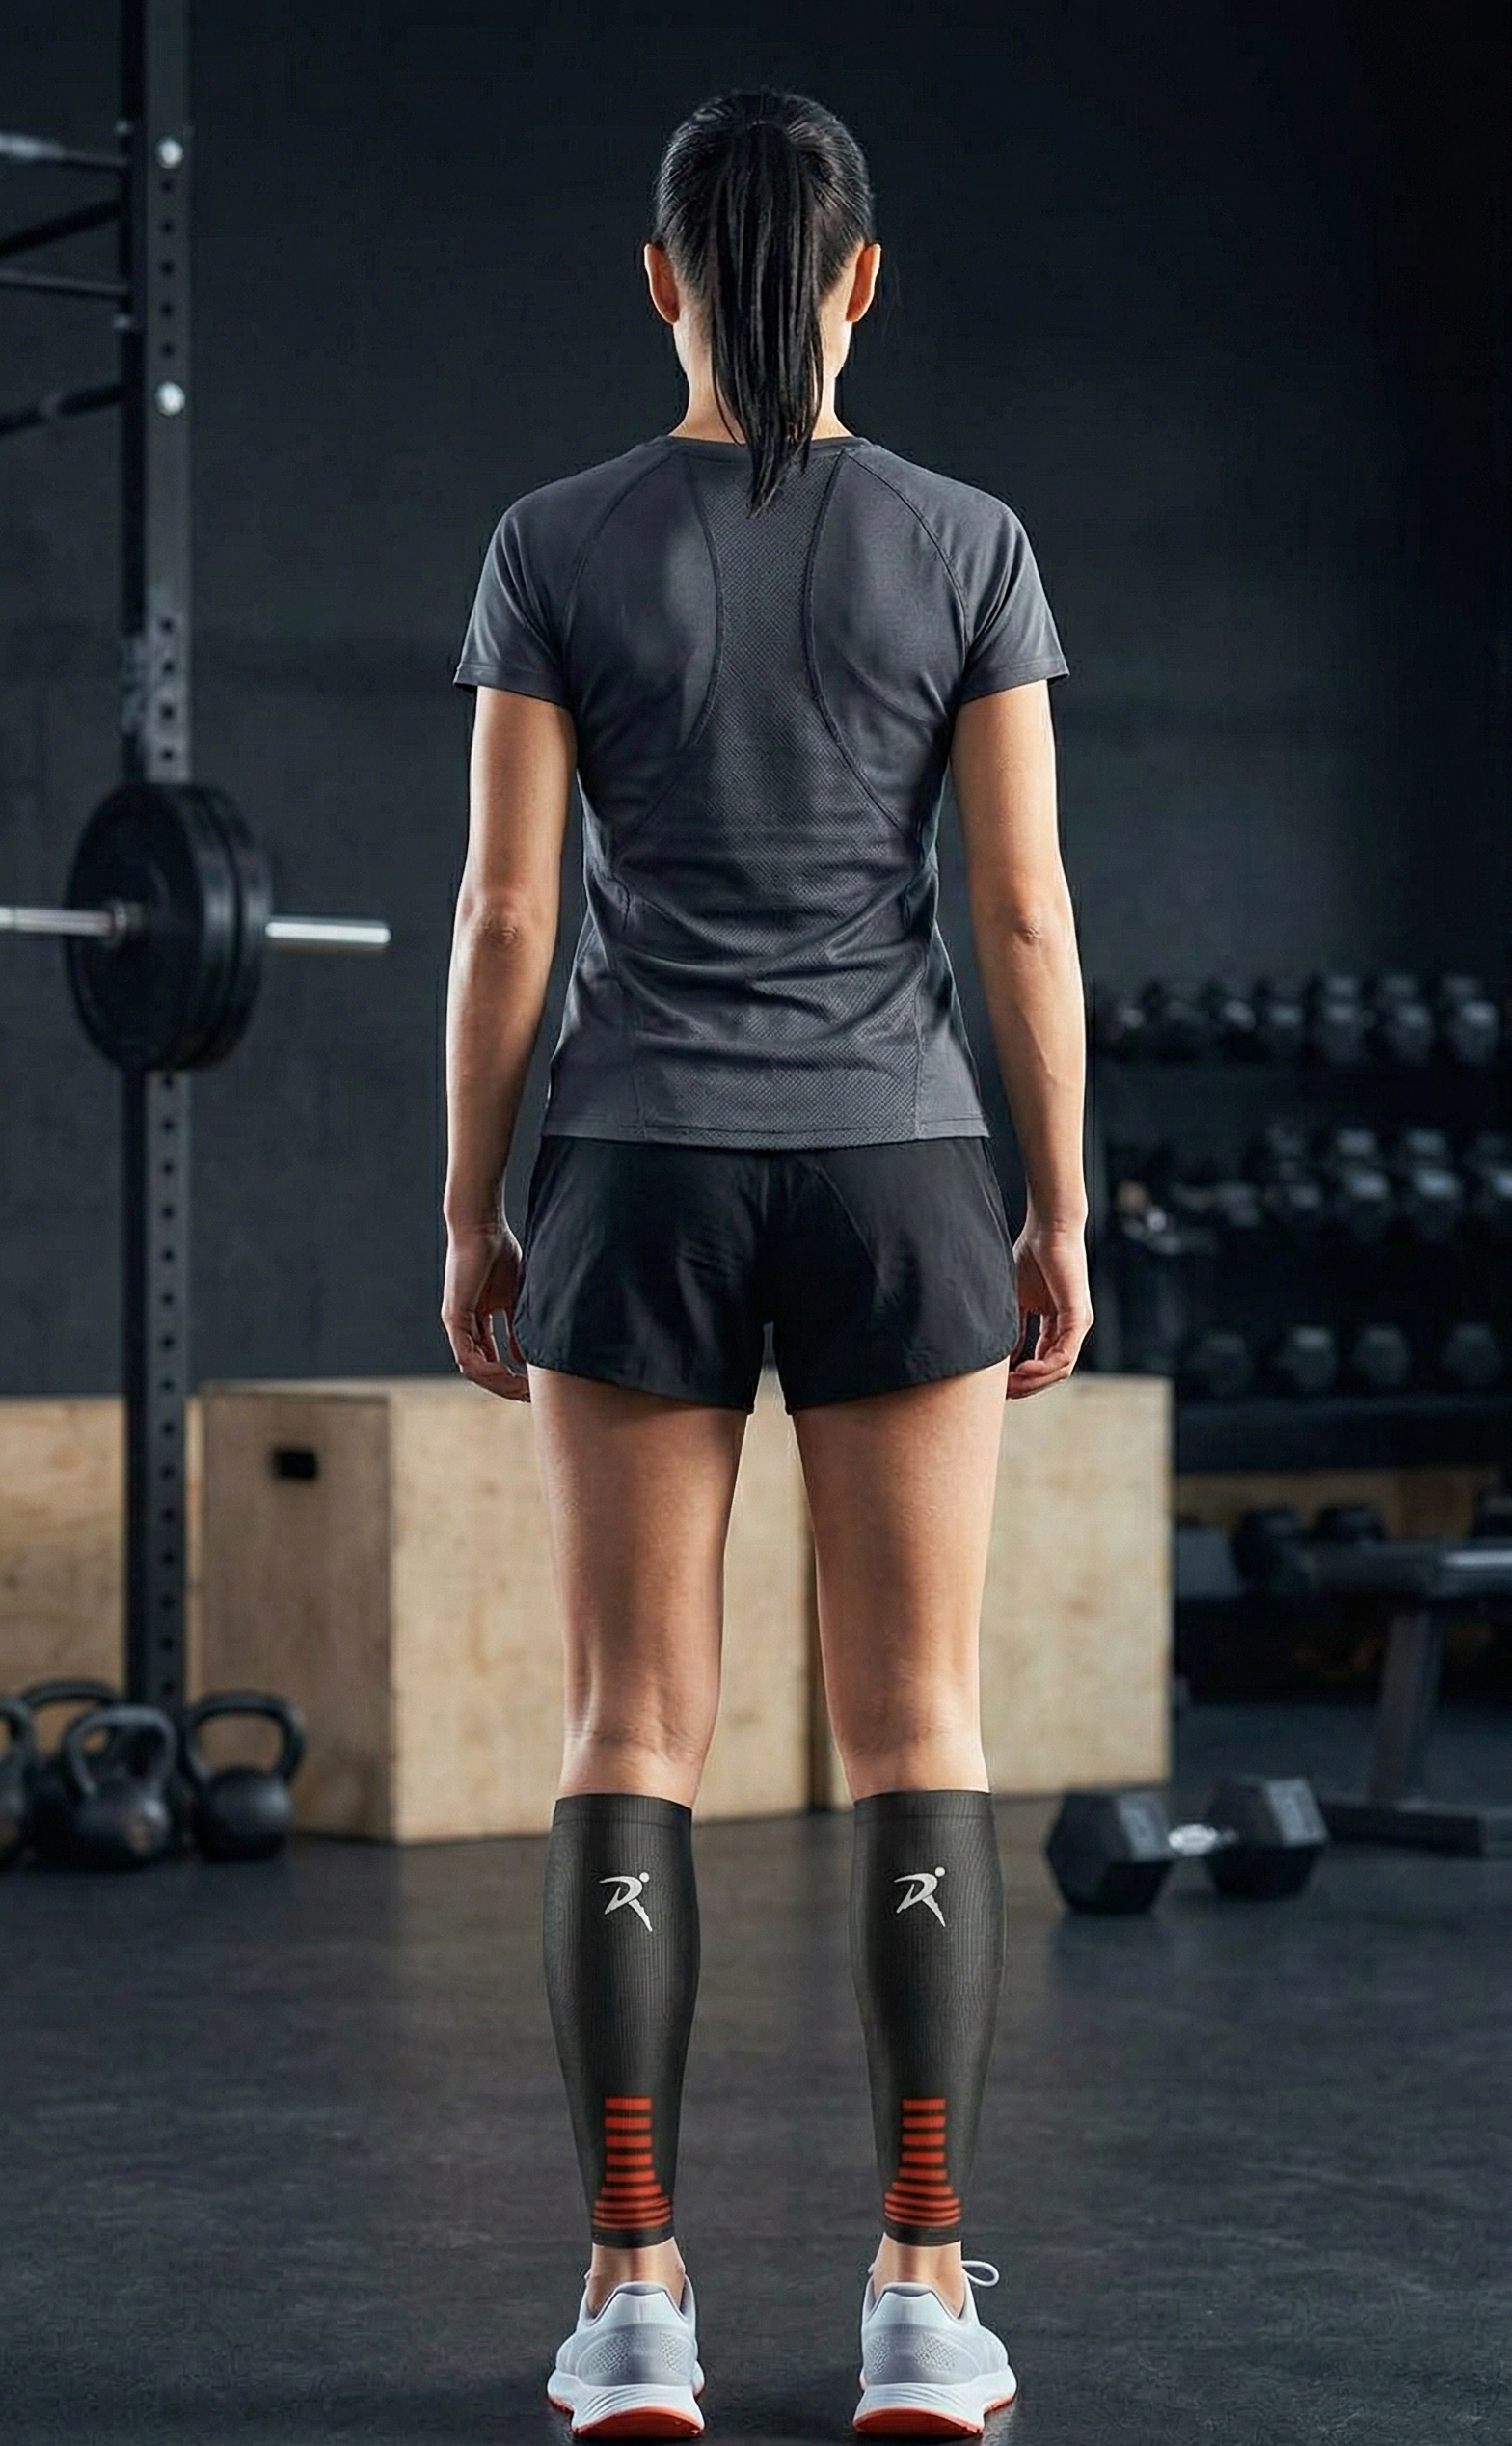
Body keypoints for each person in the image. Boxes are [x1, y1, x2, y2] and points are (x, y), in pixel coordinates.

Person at [443, 84, 1090, 2441]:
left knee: (634, 1727)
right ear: (862, 277)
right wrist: (1056, 1194)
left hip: (631, 1165)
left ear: (657, 283)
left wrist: (471, 1203)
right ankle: (921, 2287)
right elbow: (1015, 907)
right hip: (906, 1160)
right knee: (921, 1724)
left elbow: (509, 917)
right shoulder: (971, 541)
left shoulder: (548, 540)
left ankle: (635, 2301)